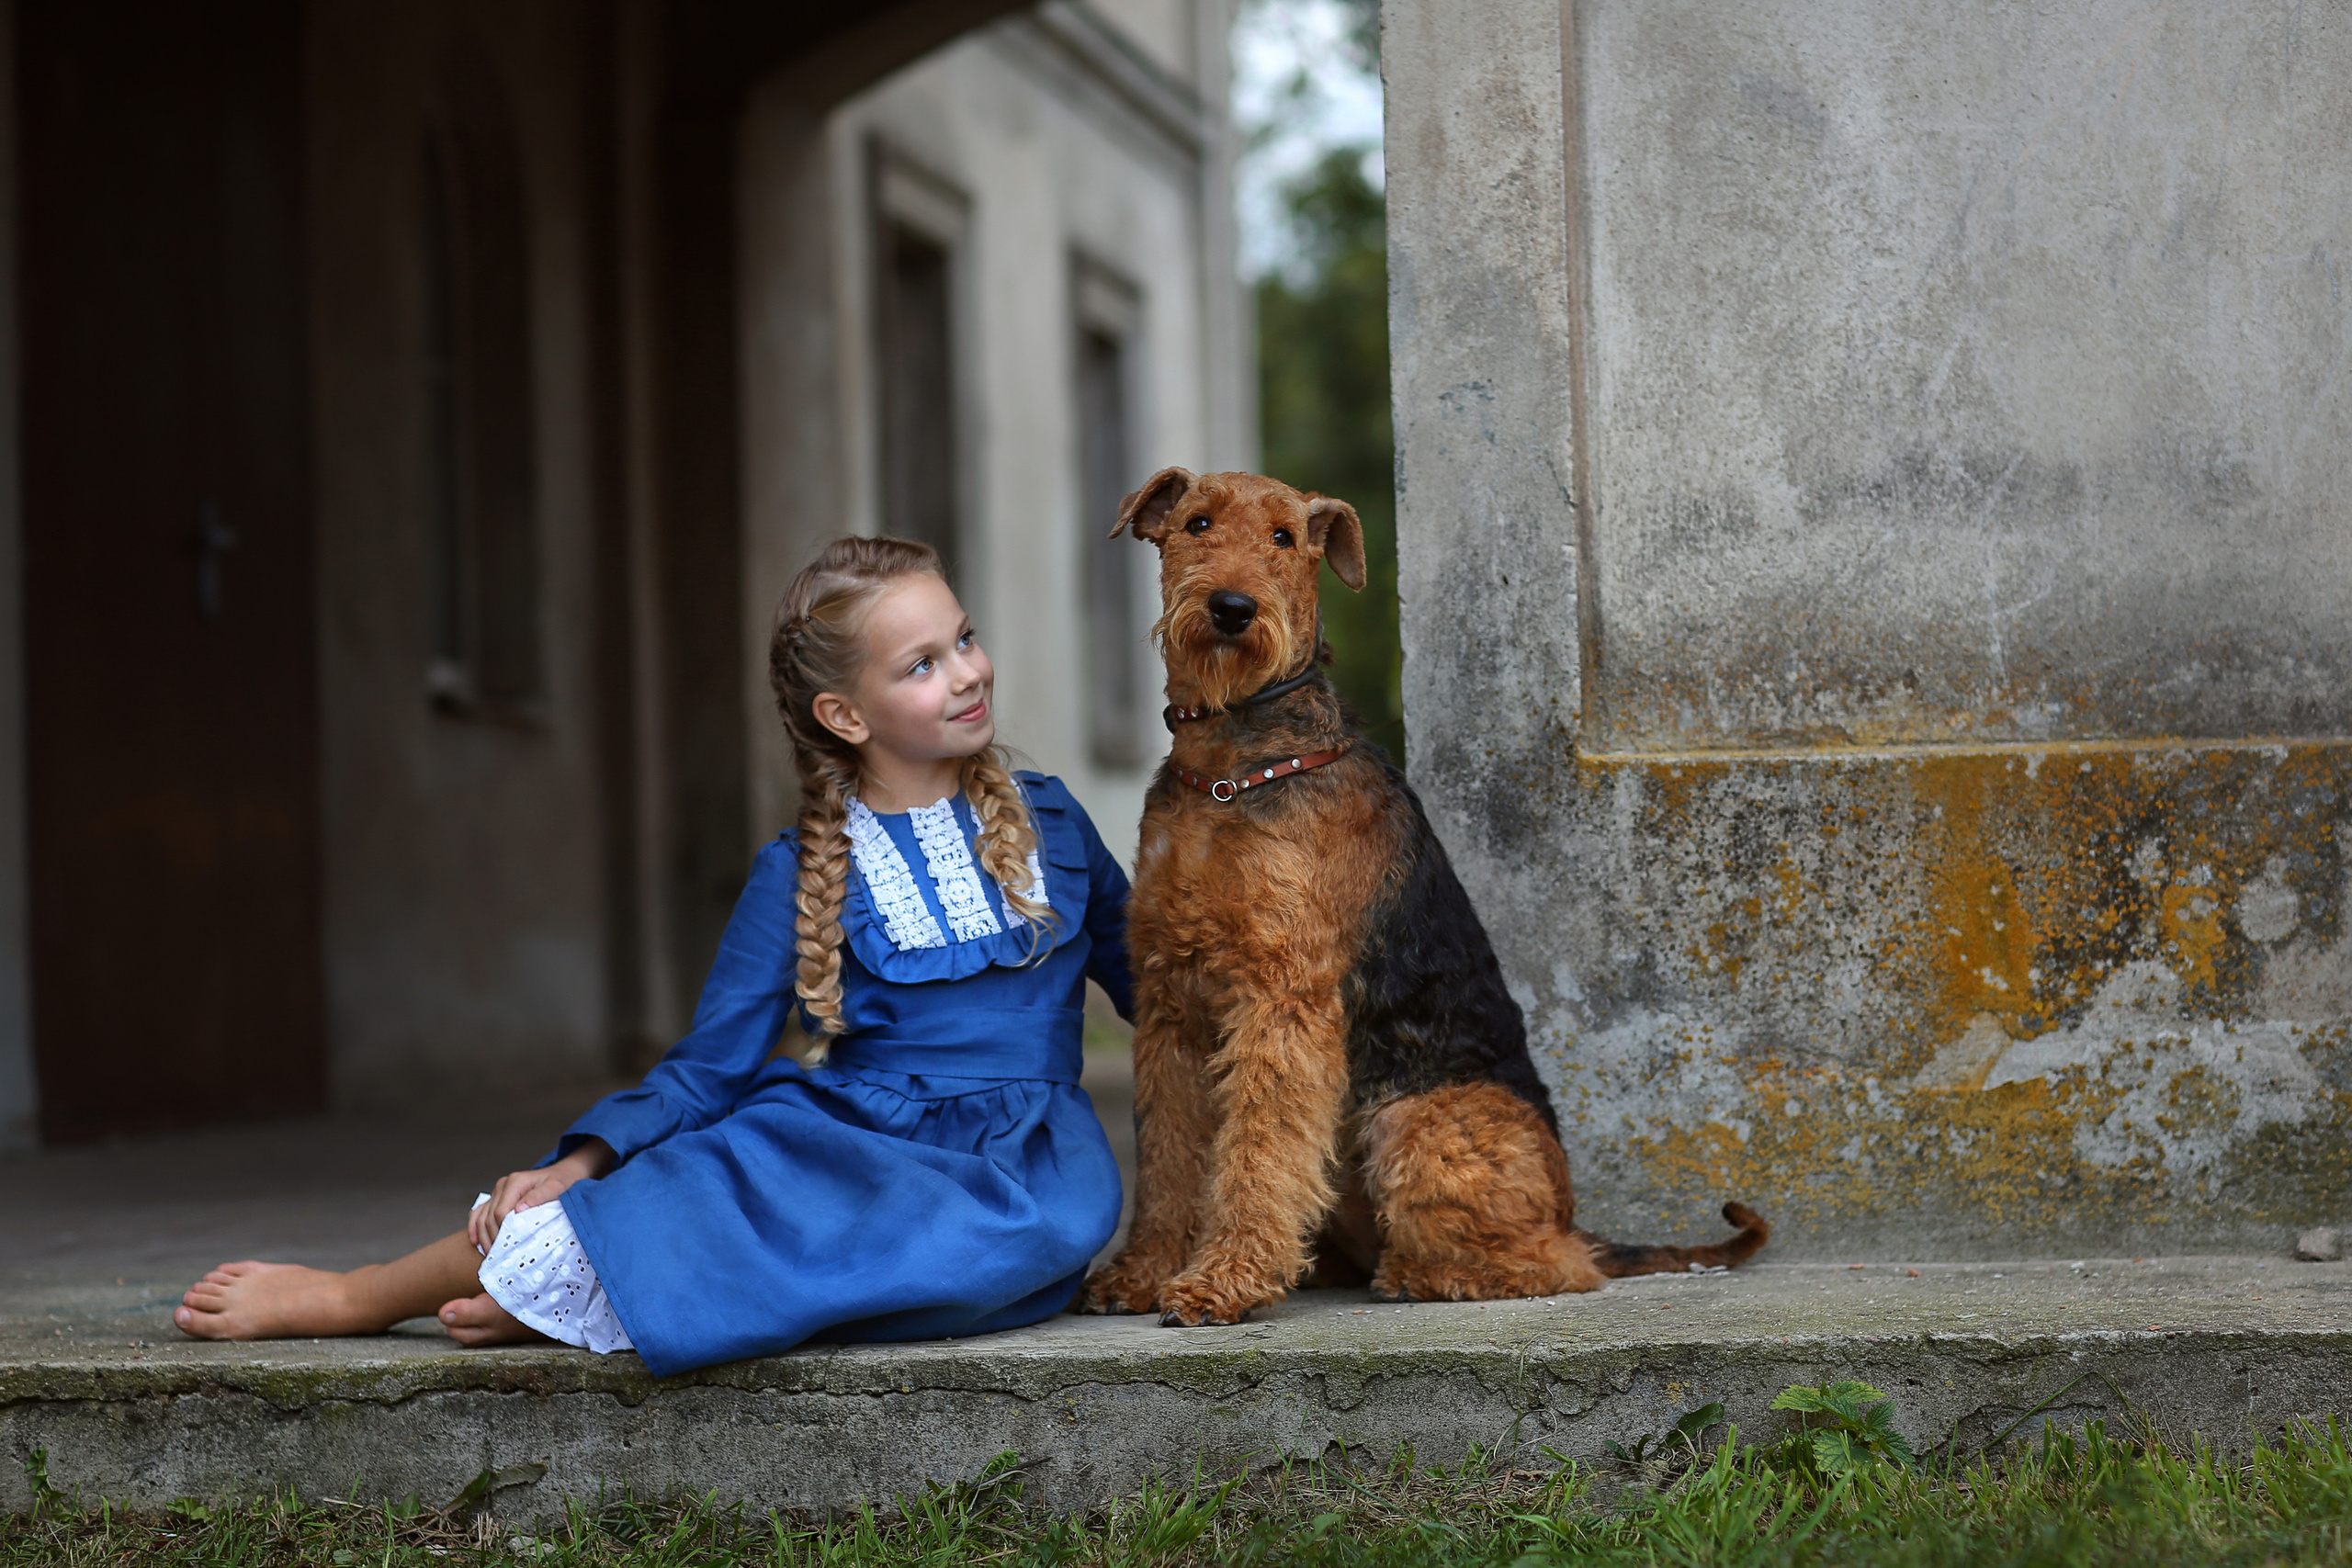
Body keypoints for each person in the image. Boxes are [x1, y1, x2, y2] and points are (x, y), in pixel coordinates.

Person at [174, 536, 1134, 1377]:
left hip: (1017, 1175)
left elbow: (1160, 983)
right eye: (923, 663)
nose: (967, 673)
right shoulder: (801, 868)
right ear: (846, 716)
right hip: (839, 1147)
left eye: (963, 639)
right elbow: (710, 1067)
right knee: (677, 1192)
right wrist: (582, 1161)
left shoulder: (1053, 822)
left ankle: (594, 1302)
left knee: (936, 1249)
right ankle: (358, 1294)